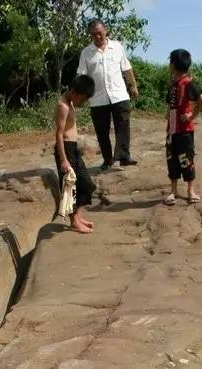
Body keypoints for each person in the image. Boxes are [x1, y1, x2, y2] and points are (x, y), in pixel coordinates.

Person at [77, 18, 139, 171]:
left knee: (123, 126)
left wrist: (133, 86)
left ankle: (122, 157)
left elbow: (126, 68)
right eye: (94, 35)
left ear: (105, 31)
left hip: (119, 94)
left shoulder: (117, 47)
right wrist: (80, 96)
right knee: (102, 131)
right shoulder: (86, 53)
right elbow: (81, 75)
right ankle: (108, 160)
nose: (98, 37)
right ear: (90, 36)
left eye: (99, 33)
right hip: (97, 99)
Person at [54, 75, 97, 234]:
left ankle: (78, 217)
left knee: (86, 183)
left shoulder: (69, 102)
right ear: (74, 92)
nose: (82, 103)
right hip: (65, 150)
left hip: (73, 149)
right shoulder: (62, 106)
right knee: (69, 186)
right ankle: (74, 222)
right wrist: (64, 159)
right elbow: (59, 134)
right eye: (83, 99)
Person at [163, 49, 202, 206]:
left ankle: (190, 191)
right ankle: (173, 191)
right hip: (172, 129)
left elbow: (201, 99)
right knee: (172, 158)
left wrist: (191, 116)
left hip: (185, 130)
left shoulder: (188, 83)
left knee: (187, 158)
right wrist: (168, 115)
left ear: (173, 65)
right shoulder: (172, 84)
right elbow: (170, 104)